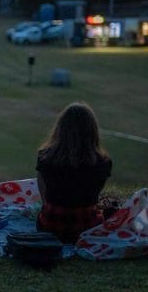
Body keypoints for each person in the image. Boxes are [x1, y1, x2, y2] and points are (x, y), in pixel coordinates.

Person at [35, 102, 112, 243]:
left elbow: (44, 196)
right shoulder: (103, 162)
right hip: (86, 229)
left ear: (60, 128)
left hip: (49, 226)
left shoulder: (45, 157)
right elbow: (94, 194)